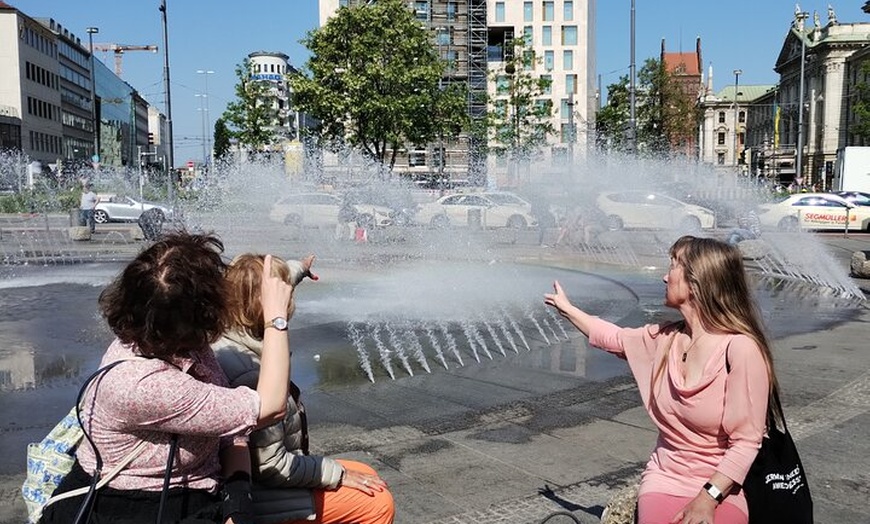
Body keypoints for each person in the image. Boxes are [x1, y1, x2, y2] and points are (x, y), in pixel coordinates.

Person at [41, 232, 295, 524]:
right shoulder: (145, 384)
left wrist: (238, 502)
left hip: (193, 492)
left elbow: (231, 432)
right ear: (201, 312)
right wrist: (276, 318)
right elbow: (270, 406)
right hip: (131, 508)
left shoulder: (171, 341)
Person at [544, 236, 776, 524]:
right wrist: (567, 309)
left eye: (674, 266)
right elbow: (613, 338)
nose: (665, 276)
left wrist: (706, 499)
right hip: (665, 479)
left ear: (697, 282)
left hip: (722, 486)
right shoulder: (665, 339)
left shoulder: (740, 349)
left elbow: (746, 442)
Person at [213, 254, 395, 524]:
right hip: (258, 494)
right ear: (270, 302)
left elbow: (271, 280)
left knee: (364, 471)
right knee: (377, 503)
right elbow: (271, 466)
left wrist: (300, 268)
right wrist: (338, 475)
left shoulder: (229, 331)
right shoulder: (252, 372)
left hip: (258, 477)